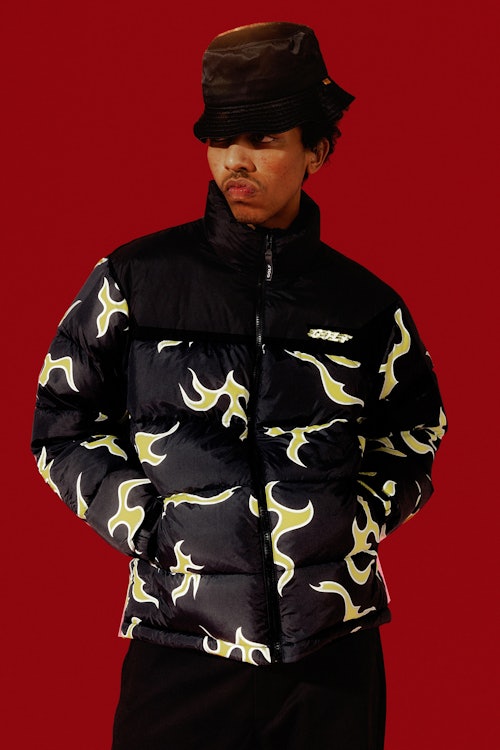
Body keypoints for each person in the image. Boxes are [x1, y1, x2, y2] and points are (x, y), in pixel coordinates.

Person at [31, 21, 447, 750]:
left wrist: (354, 523)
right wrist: (149, 525)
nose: (236, 161)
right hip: (180, 640)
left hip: (331, 656)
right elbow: (61, 424)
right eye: (221, 139)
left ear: (317, 150)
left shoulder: (365, 305)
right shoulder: (134, 280)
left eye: (263, 140)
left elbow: (417, 430)